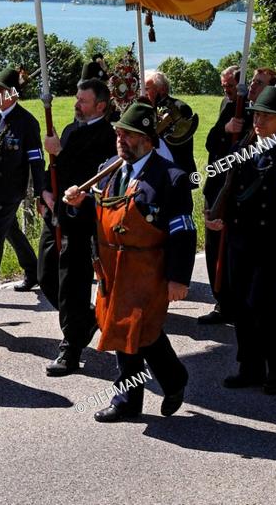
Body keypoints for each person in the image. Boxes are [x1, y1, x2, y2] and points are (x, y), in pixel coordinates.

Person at [63, 102, 196, 422]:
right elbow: (96, 216)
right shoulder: (108, 168)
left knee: (138, 329)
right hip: (111, 267)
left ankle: (128, 396)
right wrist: (75, 204)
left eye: (129, 134)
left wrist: (179, 278)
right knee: (132, 330)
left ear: (148, 140)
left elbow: (184, 232)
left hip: (147, 270)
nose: (121, 138)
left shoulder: (171, 178)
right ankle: (169, 380)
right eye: (118, 132)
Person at [205, 87, 276, 395]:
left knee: (262, 305)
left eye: (267, 116)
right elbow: (225, 183)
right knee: (240, 305)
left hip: (274, 245)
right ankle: (250, 366)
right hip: (241, 241)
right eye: (256, 115)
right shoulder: (244, 151)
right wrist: (219, 215)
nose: (259, 121)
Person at [38, 76, 116, 375]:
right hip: (55, 213)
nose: (76, 105)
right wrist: (44, 190)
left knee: (73, 282)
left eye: (82, 101)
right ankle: (86, 320)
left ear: (100, 105)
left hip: (81, 221)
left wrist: (59, 152)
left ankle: (70, 348)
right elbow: (53, 171)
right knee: (47, 276)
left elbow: (89, 175)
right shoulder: (71, 129)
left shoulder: (107, 137)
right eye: (76, 99)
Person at [199, 67, 276, 326]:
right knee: (214, 248)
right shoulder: (233, 106)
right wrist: (226, 127)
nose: (252, 86)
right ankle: (222, 301)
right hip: (219, 185)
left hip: (245, 194)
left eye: (259, 83)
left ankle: (243, 303)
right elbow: (212, 143)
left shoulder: (271, 120)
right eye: (252, 81)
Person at [0, 69, 46, 294]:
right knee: (10, 229)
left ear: (13, 94)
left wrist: (40, 192)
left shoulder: (26, 122)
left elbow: (36, 160)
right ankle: (33, 269)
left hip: (12, 188)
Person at [144, 70, 198, 185]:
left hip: (177, 169)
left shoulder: (180, 108)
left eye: (147, 89)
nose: (143, 93)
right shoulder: (146, 109)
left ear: (162, 89)